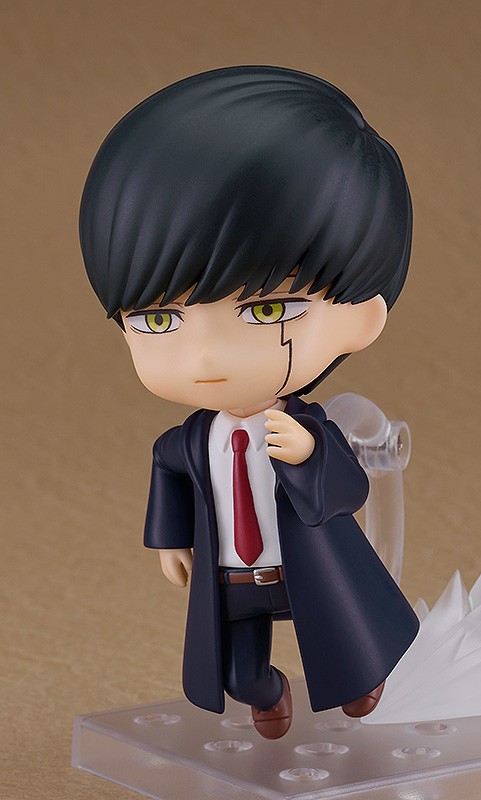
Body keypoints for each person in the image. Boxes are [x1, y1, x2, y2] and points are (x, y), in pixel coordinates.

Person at [80, 65, 419, 739]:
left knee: (349, 644)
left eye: (266, 309)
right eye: (157, 319)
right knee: (238, 673)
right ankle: (267, 692)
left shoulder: (307, 427)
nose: (206, 357)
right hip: (232, 576)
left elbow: (349, 491)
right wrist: (170, 540)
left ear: (359, 318)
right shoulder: (185, 441)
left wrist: (311, 452)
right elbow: (168, 473)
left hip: (307, 567)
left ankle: (363, 680)